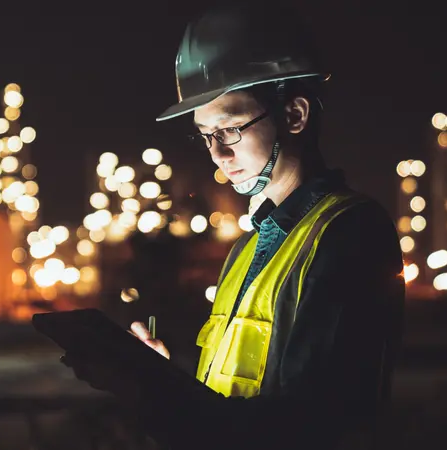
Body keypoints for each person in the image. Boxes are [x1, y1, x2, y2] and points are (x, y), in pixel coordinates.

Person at [61, 2, 405, 449]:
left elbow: (309, 423)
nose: (218, 155)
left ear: (295, 115)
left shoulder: (350, 234)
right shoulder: (247, 250)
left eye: (230, 129)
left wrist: (155, 391)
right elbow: (230, 399)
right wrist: (158, 373)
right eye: (206, 136)